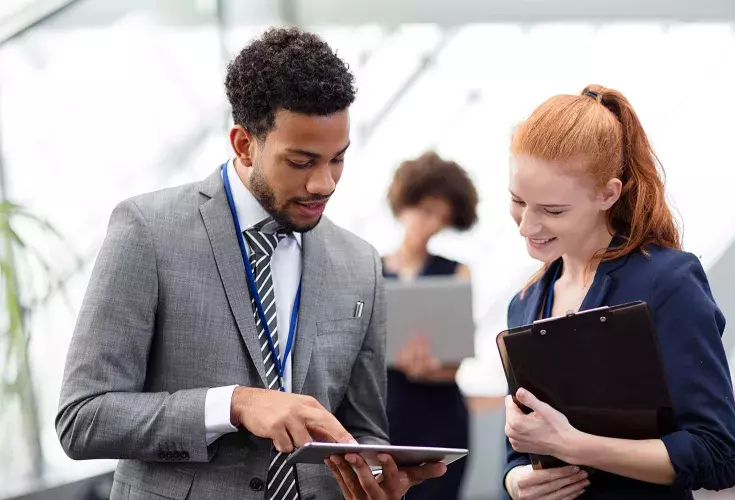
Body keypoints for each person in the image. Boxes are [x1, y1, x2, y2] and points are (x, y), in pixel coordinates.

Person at [56, 27, 444, 500]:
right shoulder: (148, 230)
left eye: (337, 159)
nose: (324, 183)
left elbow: (363, 431)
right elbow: (82, 418)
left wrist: (379, 477)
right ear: (243, 144)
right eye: (301, 161)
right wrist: (235, 404)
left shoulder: (359, 262)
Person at [502, 85, 735, 499]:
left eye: (552, 210)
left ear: (607, 194)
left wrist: (574, 445)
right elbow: (518, 456)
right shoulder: (524, 304)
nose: (526, 226)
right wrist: (517, 483)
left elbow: (717, 453)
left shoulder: (667, 282)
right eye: (518, 201)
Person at [382, 151, 478, 500]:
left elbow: (457, 358)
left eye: (441, 217)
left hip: (441, 419)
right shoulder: (369, 270)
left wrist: (431, 368)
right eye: (426, 211)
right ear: (404, 204)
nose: (432, 224)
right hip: (385, 415)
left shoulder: (456, 272)